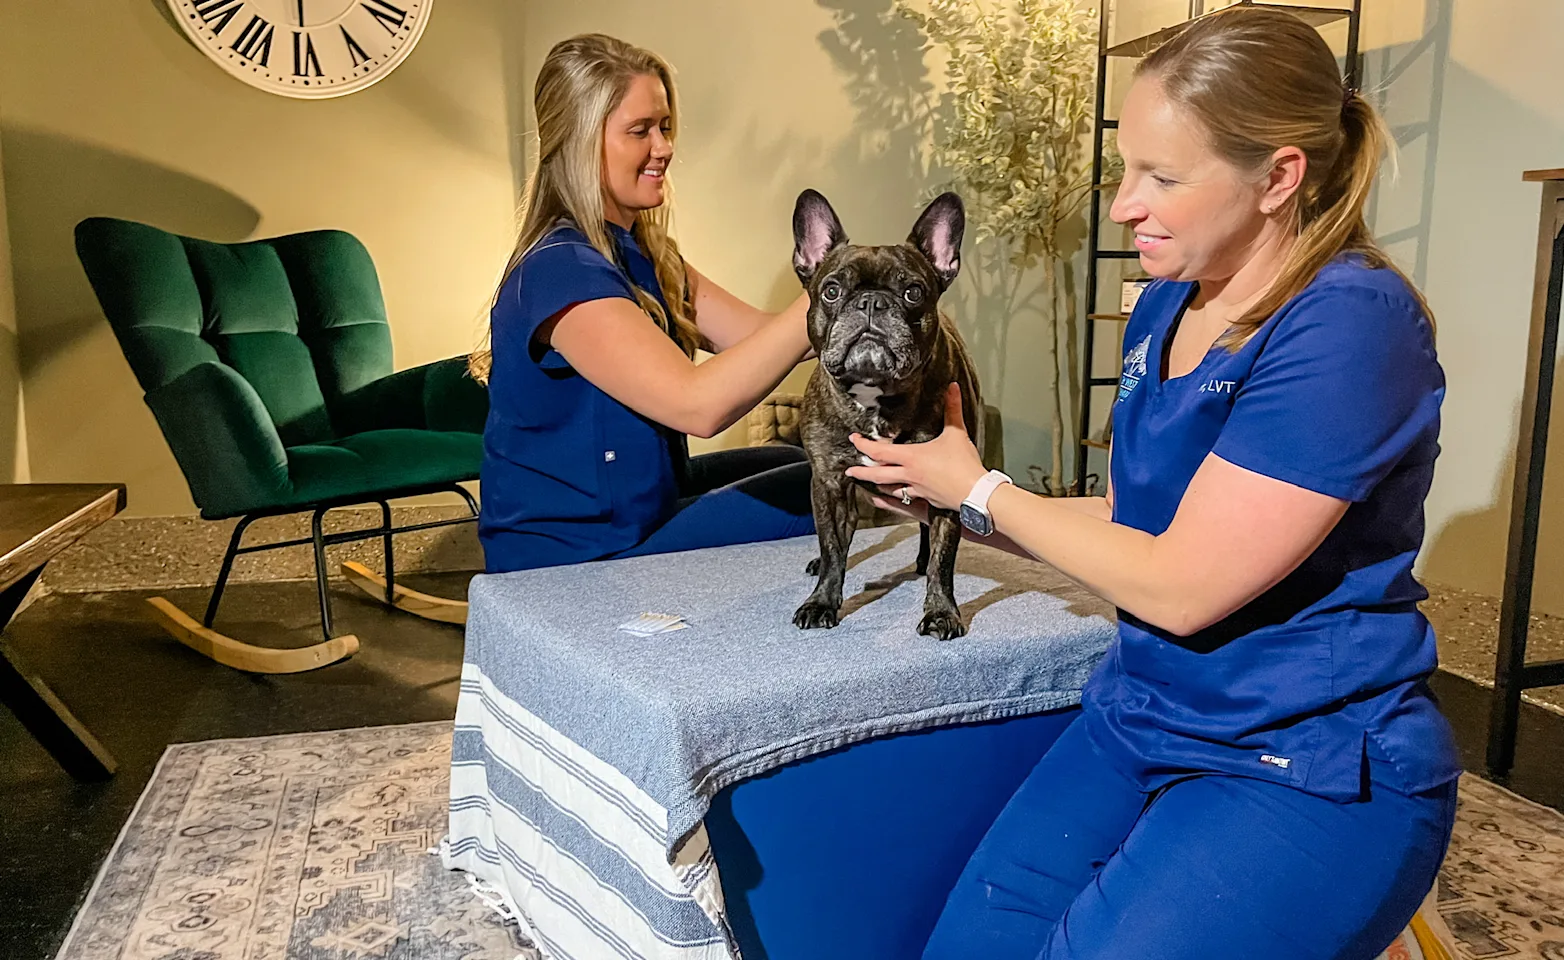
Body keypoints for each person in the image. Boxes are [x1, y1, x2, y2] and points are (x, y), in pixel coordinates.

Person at [849, 8, 1460, 959]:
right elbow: (1138, 522)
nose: (1124, 203)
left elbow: (1183, 582)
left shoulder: (1351, 325)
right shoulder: (1166, 305)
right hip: (1146, 714)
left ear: (1279, 176)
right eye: (1126, 167)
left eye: (1161, 177)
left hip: (1307, 759)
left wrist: (984, 491)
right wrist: (952, 498)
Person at [470, 34, 816, 574]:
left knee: (790, 461)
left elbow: (763, 337)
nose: (664, 147)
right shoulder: (562, 269)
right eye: (640, 131)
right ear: (581, 141)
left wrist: (871, 313)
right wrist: (835, 291)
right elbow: (699, 406)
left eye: (665, 126)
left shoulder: (643, 252)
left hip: (638, 509)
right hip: (572, 556)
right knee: (810, 490)